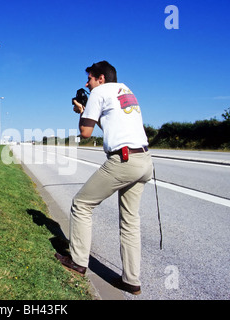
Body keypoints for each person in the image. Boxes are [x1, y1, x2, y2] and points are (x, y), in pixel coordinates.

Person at [55, 61, 153, 295]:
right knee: (130, 221)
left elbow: (85, 133)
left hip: (123, 161)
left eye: (89, 78)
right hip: (144, 160)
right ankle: (131, 280)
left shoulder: (98, 92)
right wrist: (91, 112)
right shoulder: (125, 90)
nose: (86, 83)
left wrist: (82, 112)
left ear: (100, 78)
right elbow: (111, 125)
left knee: (81, 204)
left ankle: (78, 262)